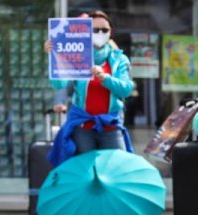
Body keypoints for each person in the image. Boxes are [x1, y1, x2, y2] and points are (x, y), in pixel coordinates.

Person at [45, 10, 134, 166]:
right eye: (95, 30)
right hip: (83, 128)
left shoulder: (119, 59)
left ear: (110, 32)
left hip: (110, 126)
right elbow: (59, 84)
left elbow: (126, 89)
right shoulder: (77, 56)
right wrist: (54, 57)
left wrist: (105, 79)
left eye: (104, 30)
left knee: (117, 170)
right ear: (86, 32)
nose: (100, 33)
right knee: (85, 173)